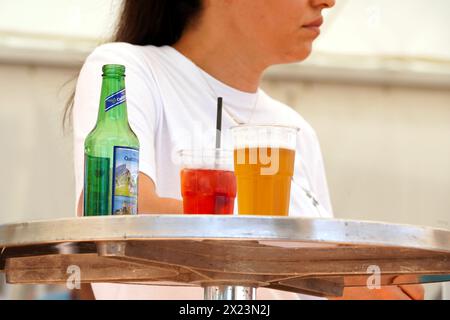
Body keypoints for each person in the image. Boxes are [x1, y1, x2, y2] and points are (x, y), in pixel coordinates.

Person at [69, 0, 424, 300]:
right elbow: (119, 214)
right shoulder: (129, 70)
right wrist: (336, 282)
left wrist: (365, 286)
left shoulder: (296, 130)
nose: (327, 1)